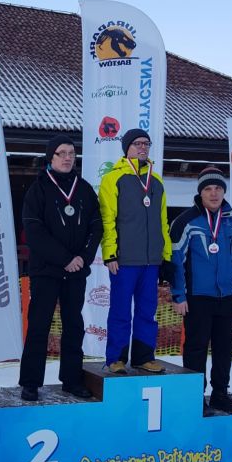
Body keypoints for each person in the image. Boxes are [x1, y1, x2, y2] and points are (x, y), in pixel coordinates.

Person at [19, 135, 103, 401]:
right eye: (61, 153)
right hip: (46, 271)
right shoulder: (38, 190)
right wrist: (65, 258)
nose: (67, 158)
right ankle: (31, 382)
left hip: (76, 272)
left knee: (74, 326)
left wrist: (83, 258)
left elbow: (96, 226)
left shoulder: (85, 189)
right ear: (50, 157)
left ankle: (72, 379)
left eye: (71, 153)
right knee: (39, 326)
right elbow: (34, 232)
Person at [169, 166, 232, 414]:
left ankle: (220, 395)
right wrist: (178, 294)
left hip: (226, 297)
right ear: (200, 192)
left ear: (224, 191)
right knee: (196, 348)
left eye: (218, 188)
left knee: (224, 348)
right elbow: (175, 261)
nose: (214, 193)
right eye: (208, 189)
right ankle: (195, 397)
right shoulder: (186, 221)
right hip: (197, 297)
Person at [99, 128, 171, 374]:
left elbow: (163, 222)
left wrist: (166, 255)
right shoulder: (113, 178)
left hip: (151, 261)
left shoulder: (156, 180)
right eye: (137, 143)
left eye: (146, 144)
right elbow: (107, 219)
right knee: (121, 311)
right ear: (127, 148)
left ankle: (143, 357)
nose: (142, 147)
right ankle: (115, 358)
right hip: (125, 260)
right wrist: (110, 253)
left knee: (147, 311)